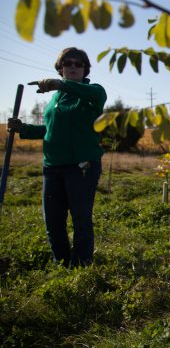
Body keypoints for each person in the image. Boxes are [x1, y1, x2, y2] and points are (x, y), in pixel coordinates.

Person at [8, 47, 107, 267]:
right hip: (52, 167)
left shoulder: (92, 92)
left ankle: (81, 266)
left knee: (81, 220)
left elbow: (97, 96)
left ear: (85, 69)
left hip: (82, 166)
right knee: (53, 221)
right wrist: (23, 128)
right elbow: (50, 129)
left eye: (78, 64)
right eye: (67, 63)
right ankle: (61, 264)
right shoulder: (55, 100)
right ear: (60, 68)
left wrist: (61, 84)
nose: (73, 67)